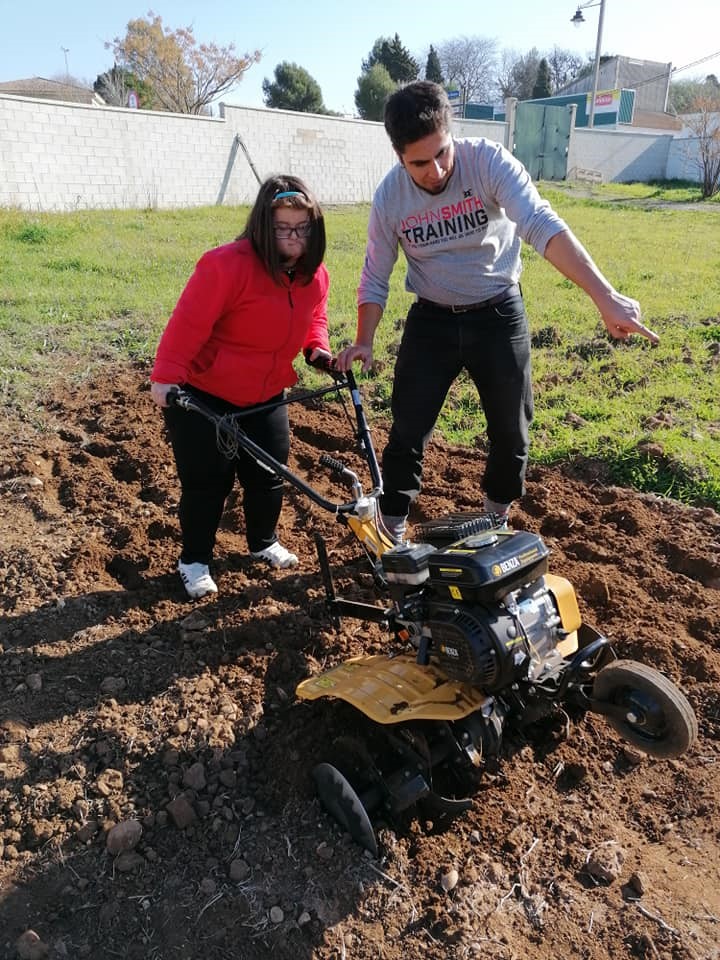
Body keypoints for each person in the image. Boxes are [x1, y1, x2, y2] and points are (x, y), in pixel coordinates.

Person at [336, 81, 658, 542]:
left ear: (453, 133)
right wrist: (365, 339)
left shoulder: (488, 161)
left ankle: (495, 516)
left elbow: (540, 222)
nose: (436, 170)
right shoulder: (390, 198)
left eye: (442, 153)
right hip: (432, 320)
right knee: (407, 428)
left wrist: (603, 296)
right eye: (419, 163)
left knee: (512, 431)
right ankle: (391, 525)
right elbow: (375, 273)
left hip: (498, 314)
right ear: (397, 155)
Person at [150, 174, 331, 599]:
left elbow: (314, 319)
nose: (294, 236)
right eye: (283, 227)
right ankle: (193, 560)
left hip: (265, 394)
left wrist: (317, 349)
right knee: (207, 483)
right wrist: (166, 376)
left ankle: (263, 542)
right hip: (204, 394)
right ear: (263, 228)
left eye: (303, 227)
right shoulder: (225, 265)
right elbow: (187, 324)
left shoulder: (313, 276)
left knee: (269, 473)